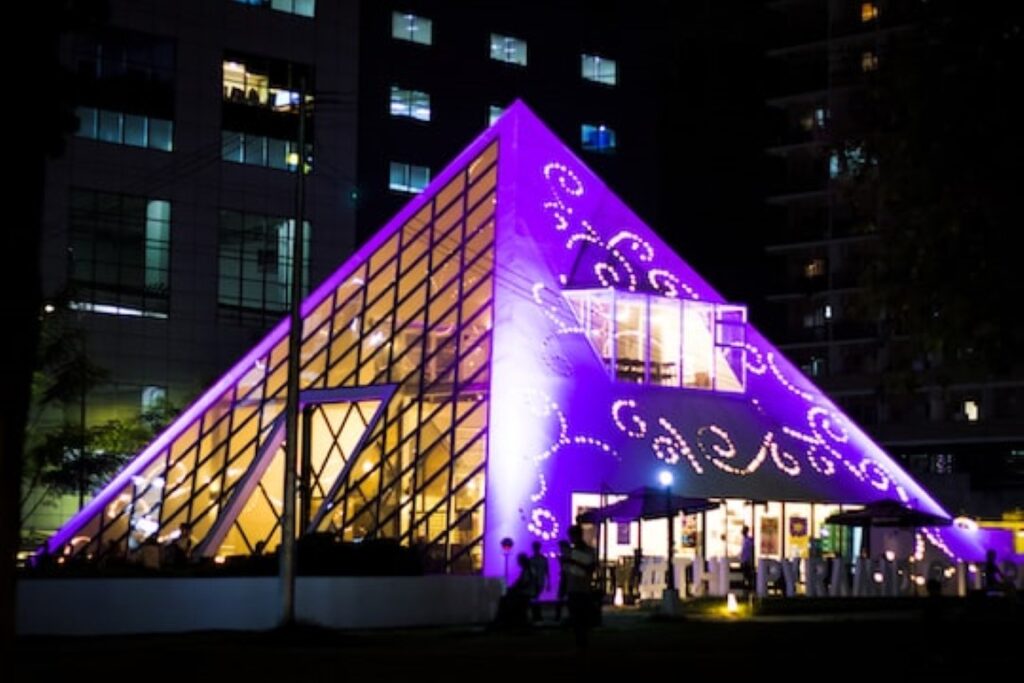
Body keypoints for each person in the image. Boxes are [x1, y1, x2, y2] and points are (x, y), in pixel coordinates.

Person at [564, 525, 597, 648]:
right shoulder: (587, 551)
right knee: (579, 621)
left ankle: (581, 644)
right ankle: (581, 643)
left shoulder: (578, 552)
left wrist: (573, 561)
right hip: (579, 589)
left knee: (579, 620)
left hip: (578, 590)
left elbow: (589, 569)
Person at [493, 552, 534, 628]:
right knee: (506, 598)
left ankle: (504, 620)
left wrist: (515, 588)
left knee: (505, 600)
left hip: (525, 594)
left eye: (519, 561)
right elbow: (520, 582)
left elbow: (524, 583)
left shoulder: (527, 571)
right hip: (524, 593)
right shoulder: (527, 570)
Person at [528, 541, 550, 621]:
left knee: (535, 597)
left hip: (538, 582)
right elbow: (546, 571)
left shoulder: (535, 559)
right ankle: (537, 615)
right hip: (537, 582)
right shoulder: (536, 559)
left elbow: (547, 571)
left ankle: (537, 615)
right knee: (535, 597)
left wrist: (548, 583)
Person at [554, 539, 571, 621]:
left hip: (568, 577)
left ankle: (559, 615)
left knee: (563, 596)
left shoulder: (568, 555)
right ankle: (558, 615)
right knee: (562, 597)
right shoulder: (565, 555)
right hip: (565, 576)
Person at [739, 525, 755, 592]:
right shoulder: (745, 540)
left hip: (747, 561)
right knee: (745, 575)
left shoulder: (748, 540)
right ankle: (746, 588)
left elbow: (749, 551)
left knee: (747, 575)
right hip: (744, 561)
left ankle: (748, 588)